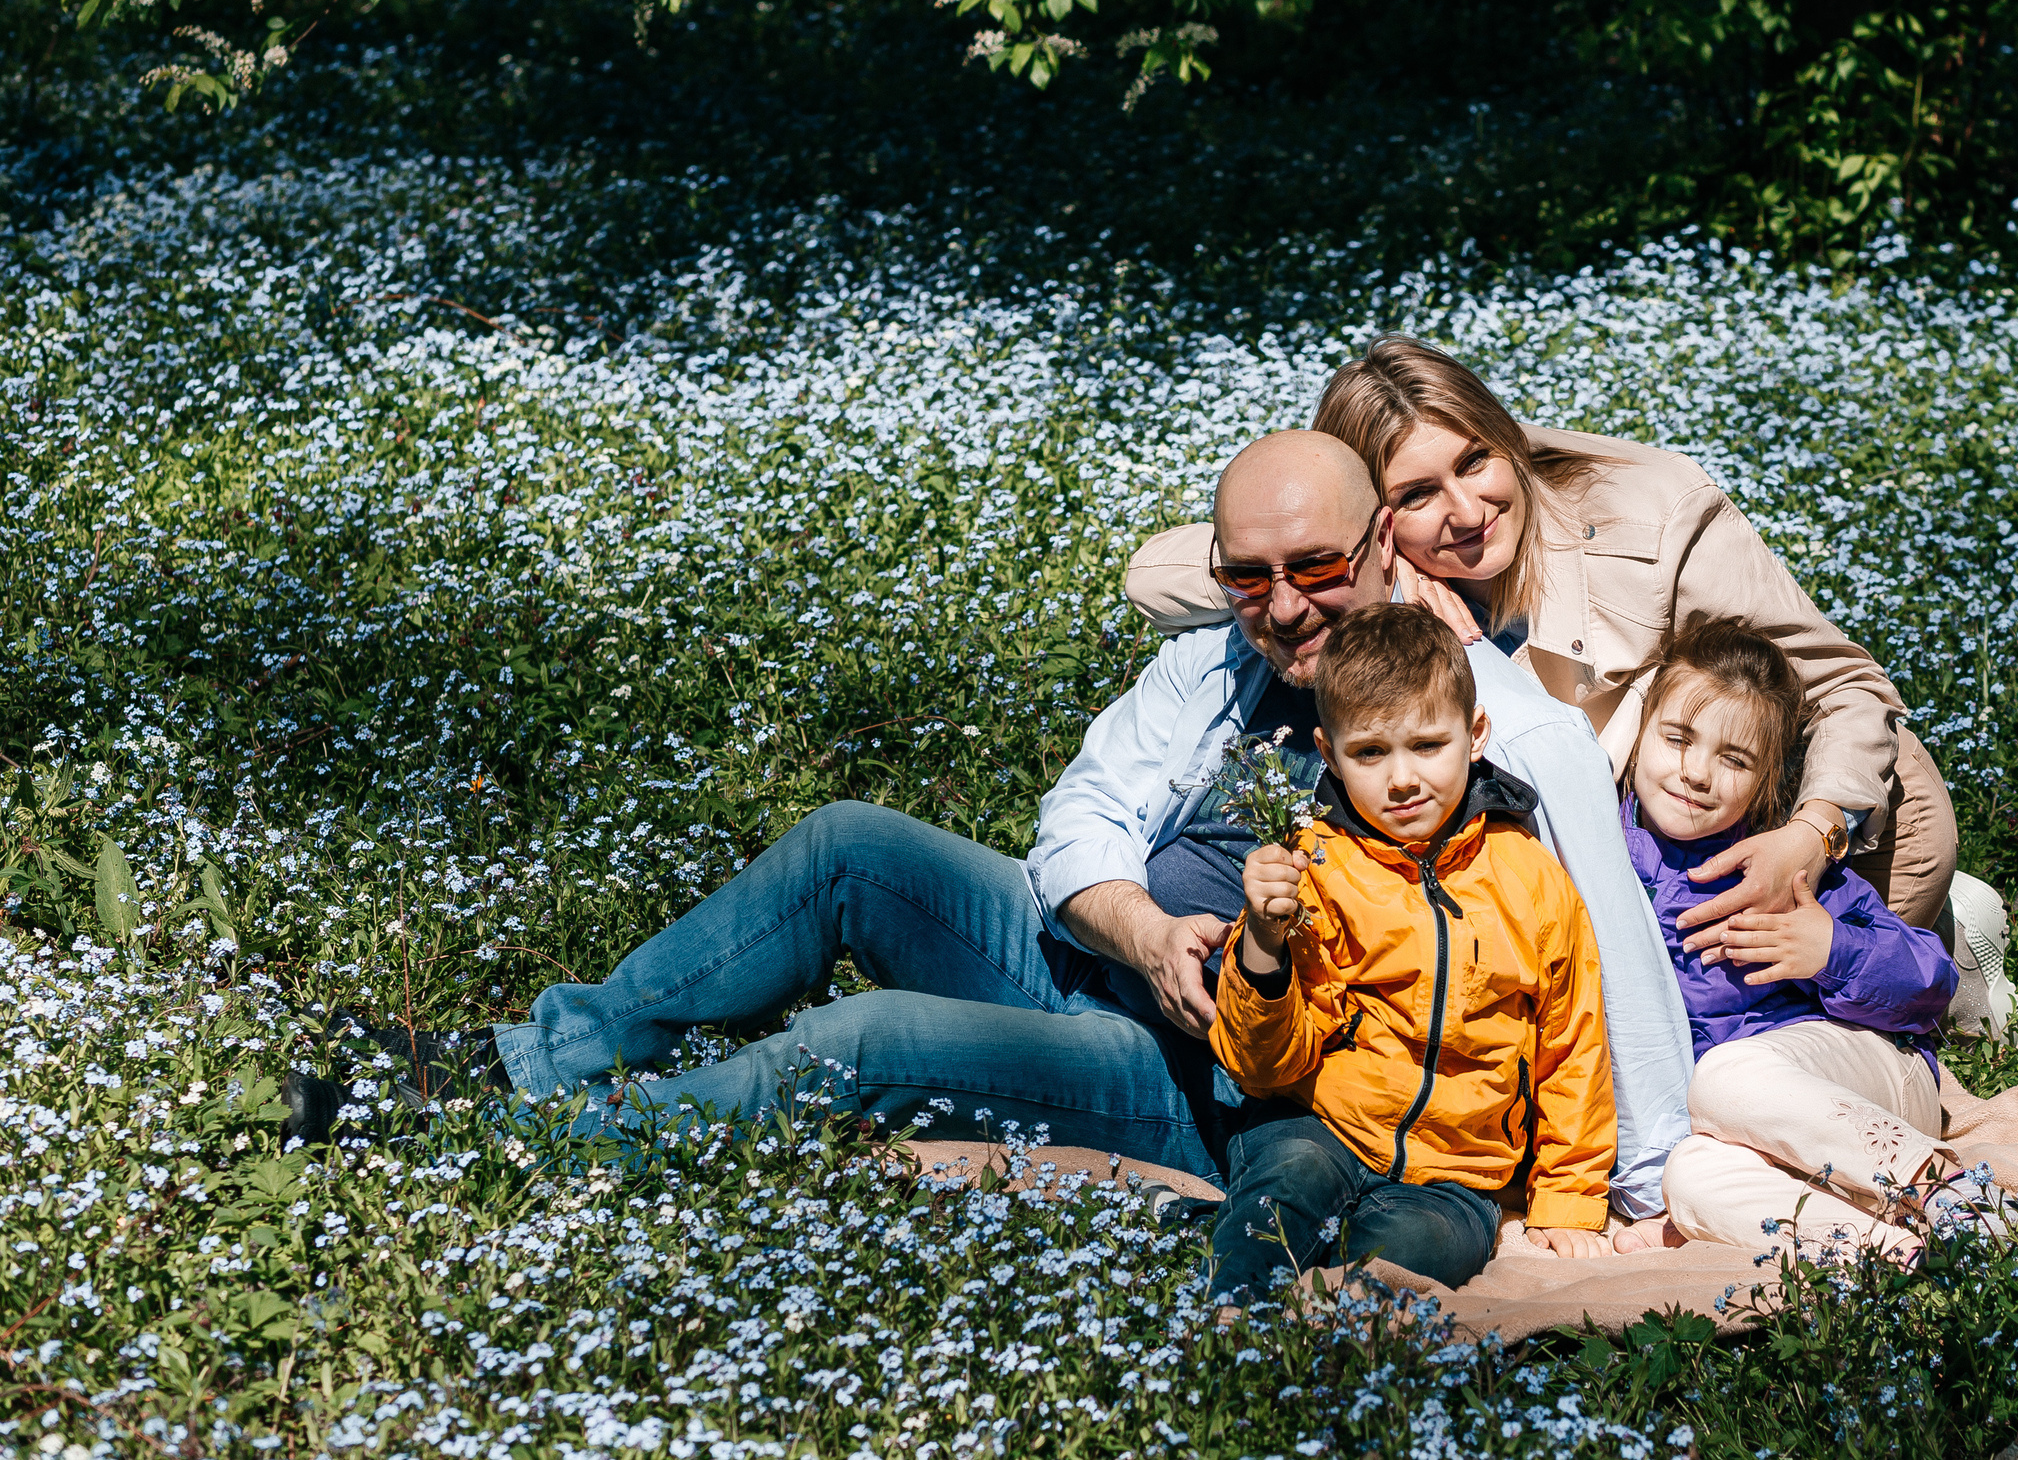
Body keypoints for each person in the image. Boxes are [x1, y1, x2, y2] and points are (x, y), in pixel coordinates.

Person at [281, 431, 1707, 1225]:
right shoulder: (1222, 659)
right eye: (1251, 574)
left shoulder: (1501, 736)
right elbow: (1078, 813)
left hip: (1205, 1079)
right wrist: (1144, 926)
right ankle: (537, 1057)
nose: (1284, 606)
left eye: (1319, 570)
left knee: (864, 1043)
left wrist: (1630, 1190)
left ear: (1384, 553)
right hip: (1105, 959)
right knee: (846, 841)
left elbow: (1618, 993)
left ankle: (528, 1150)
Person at [1123, 336, 1967, 947]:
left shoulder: (1657, 515)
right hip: (1667, 847)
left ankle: (1947, 945)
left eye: (1477, 461)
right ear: (1374, 520)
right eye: (1417, 494)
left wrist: (1811, 837)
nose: (1465, 508)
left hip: (1854, 831)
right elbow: (1149, 577)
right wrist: (1330, 566)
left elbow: (1848, 690)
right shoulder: (1374, 558)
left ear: (1508, 440)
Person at [1210, 604, 1615, 1298]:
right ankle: (1227, 1319)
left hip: (1459, 1174)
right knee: (1288, 1184)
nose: (1402, 779)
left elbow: (1571, 1047)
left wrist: (1569, 1199)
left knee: (1411, 1251)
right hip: (1323, 1125)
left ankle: (1322, 1346)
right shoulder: (1315, 865)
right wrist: (1263, 945)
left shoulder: (1531, 877)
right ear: (1329, 751)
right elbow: (1261, 1067)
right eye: (1370, 752)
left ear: (1475, 733)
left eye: (1427, 745)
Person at [1603, 614, 1985, 1263]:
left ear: (1765, 779)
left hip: (1865, 1080)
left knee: (1725, 1075)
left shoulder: (1779, 866)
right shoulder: (1598, 852)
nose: (1696, 772)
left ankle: (1960, 1203)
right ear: (1639, 738)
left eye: (1733, 758)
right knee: (1689, 1177)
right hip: (1748, 1135)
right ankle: (1908, 1260)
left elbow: (1933, 985)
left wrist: (1830, 950)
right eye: (1678, 738)